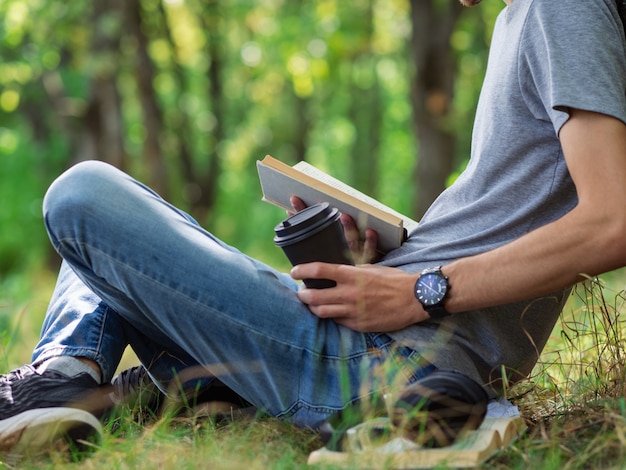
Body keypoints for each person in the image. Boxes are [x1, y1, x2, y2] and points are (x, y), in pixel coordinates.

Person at [1, 0, 626, 456]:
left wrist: (418, 290)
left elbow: (611, 221)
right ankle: (84, 383)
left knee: (82, 197)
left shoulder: (561, 6)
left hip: (403, 366)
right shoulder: (521, 16)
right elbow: (506, 217)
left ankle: (68, 383)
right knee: (106, 251)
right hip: (381, 338)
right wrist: (387, 251)